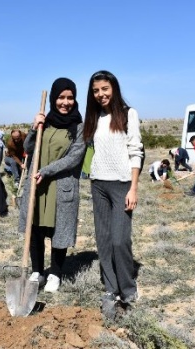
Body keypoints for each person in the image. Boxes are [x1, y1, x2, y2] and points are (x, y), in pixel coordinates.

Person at [82, 70, 143, 319]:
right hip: (98, 185)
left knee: (120, 240)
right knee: (104, 241)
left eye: (104, 89)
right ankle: (110, 288)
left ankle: (128, 289)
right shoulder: (94, 117)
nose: (100, 94)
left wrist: (134, 188)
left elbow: (135, 151)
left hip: (121, 185)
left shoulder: (129, 114)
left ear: (114, 88)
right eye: (96, 90)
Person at [18, 77, 85, 293]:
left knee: (59, 231)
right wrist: (33, 126)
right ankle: (38, 271)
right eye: (61, 97)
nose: (65, 102)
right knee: (35, 227)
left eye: (70, 98)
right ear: (53, 99)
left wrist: (46, 171)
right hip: (38, 186)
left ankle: (55, 273)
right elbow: (28, 148)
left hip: (60, 185)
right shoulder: (44, 122)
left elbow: (73, 158)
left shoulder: (79, 127)